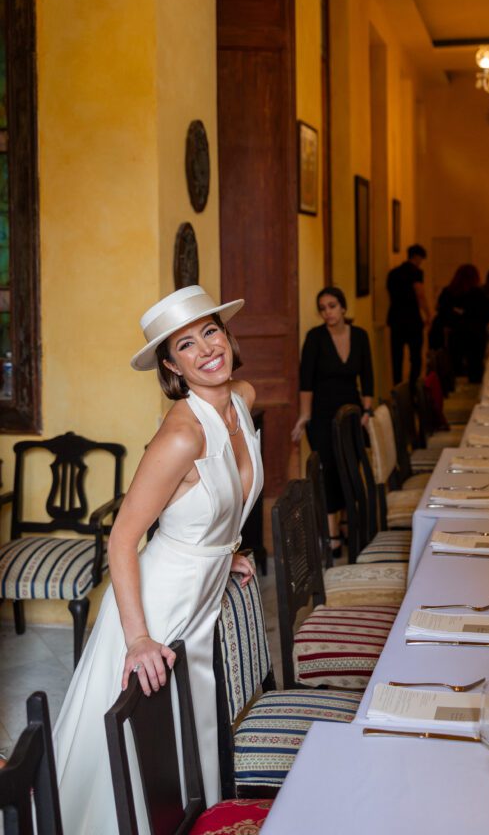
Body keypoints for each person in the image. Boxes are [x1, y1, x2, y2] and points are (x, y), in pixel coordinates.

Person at [53, 285, 263, 834]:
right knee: (141, 739)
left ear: (226, 333)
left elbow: (221, 498)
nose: (205, 351)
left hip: (202, 592)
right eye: (185, 346)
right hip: (160, 601)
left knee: (188, 726)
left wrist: (225, 549)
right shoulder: (180, 436)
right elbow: (121, 538)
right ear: (171, 365)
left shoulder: (241, 397)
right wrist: (138, 638)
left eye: (209, 332)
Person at [291, 286, 373, 555]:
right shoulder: (315, 338)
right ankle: (333, 533)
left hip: (352, 413)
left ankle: (349, 521)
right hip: (323, 416)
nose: (328, 312)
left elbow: (369, 377)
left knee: (350, 467)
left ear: (344, 307)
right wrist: (305, 415)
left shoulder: (359, 336)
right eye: (323, 308)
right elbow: (305, 381)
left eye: (333, 306)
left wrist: (368, 411)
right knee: (329, 472)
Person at [386, 243, 430, 386]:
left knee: (397, 358)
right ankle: (412, 390)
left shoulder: (392, 273)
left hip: (395, 318)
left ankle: (397, 389)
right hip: (412, 319)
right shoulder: (416, 273)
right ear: (417, 257)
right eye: (421, 259)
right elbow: (420, 295)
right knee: (416, 358)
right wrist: (428, 314)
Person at [429, 263, 481, 375]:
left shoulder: (447, 291)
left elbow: (440, 308)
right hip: (458, 337)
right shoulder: (473, 294)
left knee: (443, 368)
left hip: (440, 336)